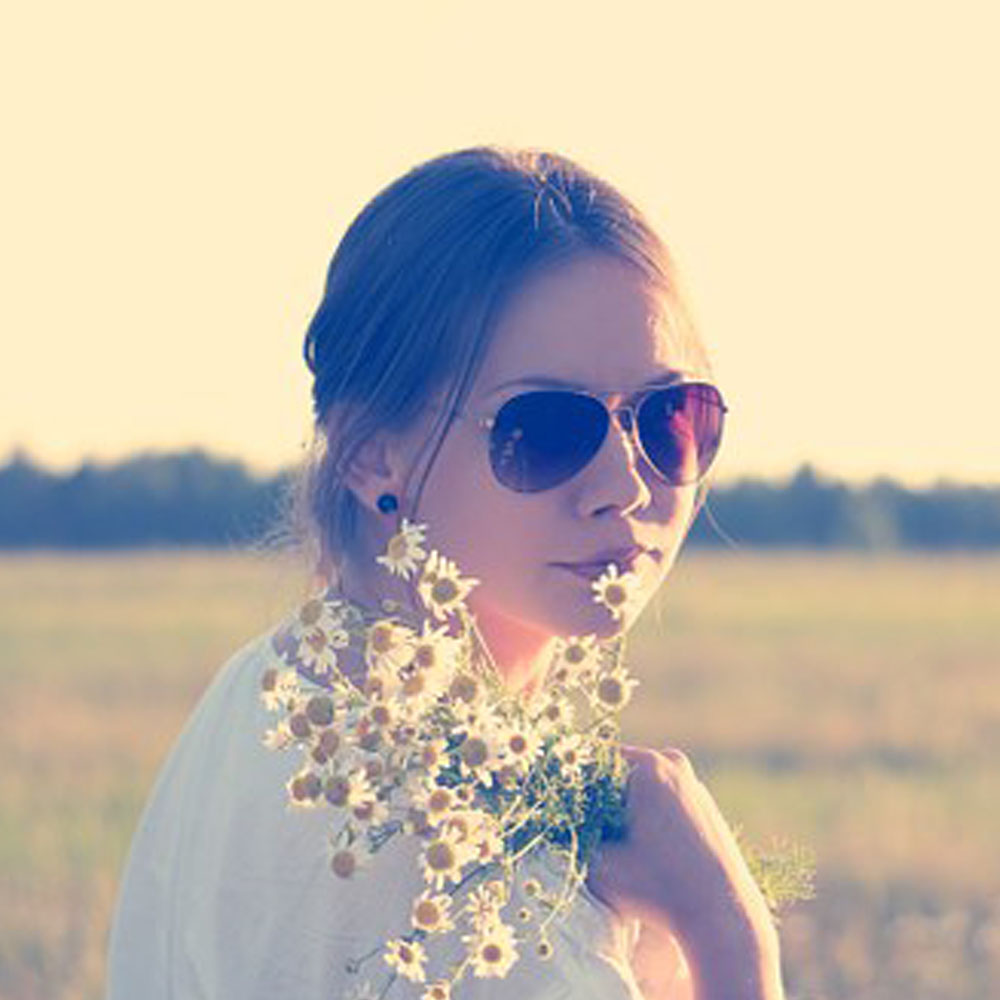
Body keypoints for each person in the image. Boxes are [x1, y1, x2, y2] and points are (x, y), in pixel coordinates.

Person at [106, 146, 785, 999]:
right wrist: (728, 931)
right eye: (544, 429)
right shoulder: (460, 842)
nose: (626, 483)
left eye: (668, 416)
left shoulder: (268, 694)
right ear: (372, 456)